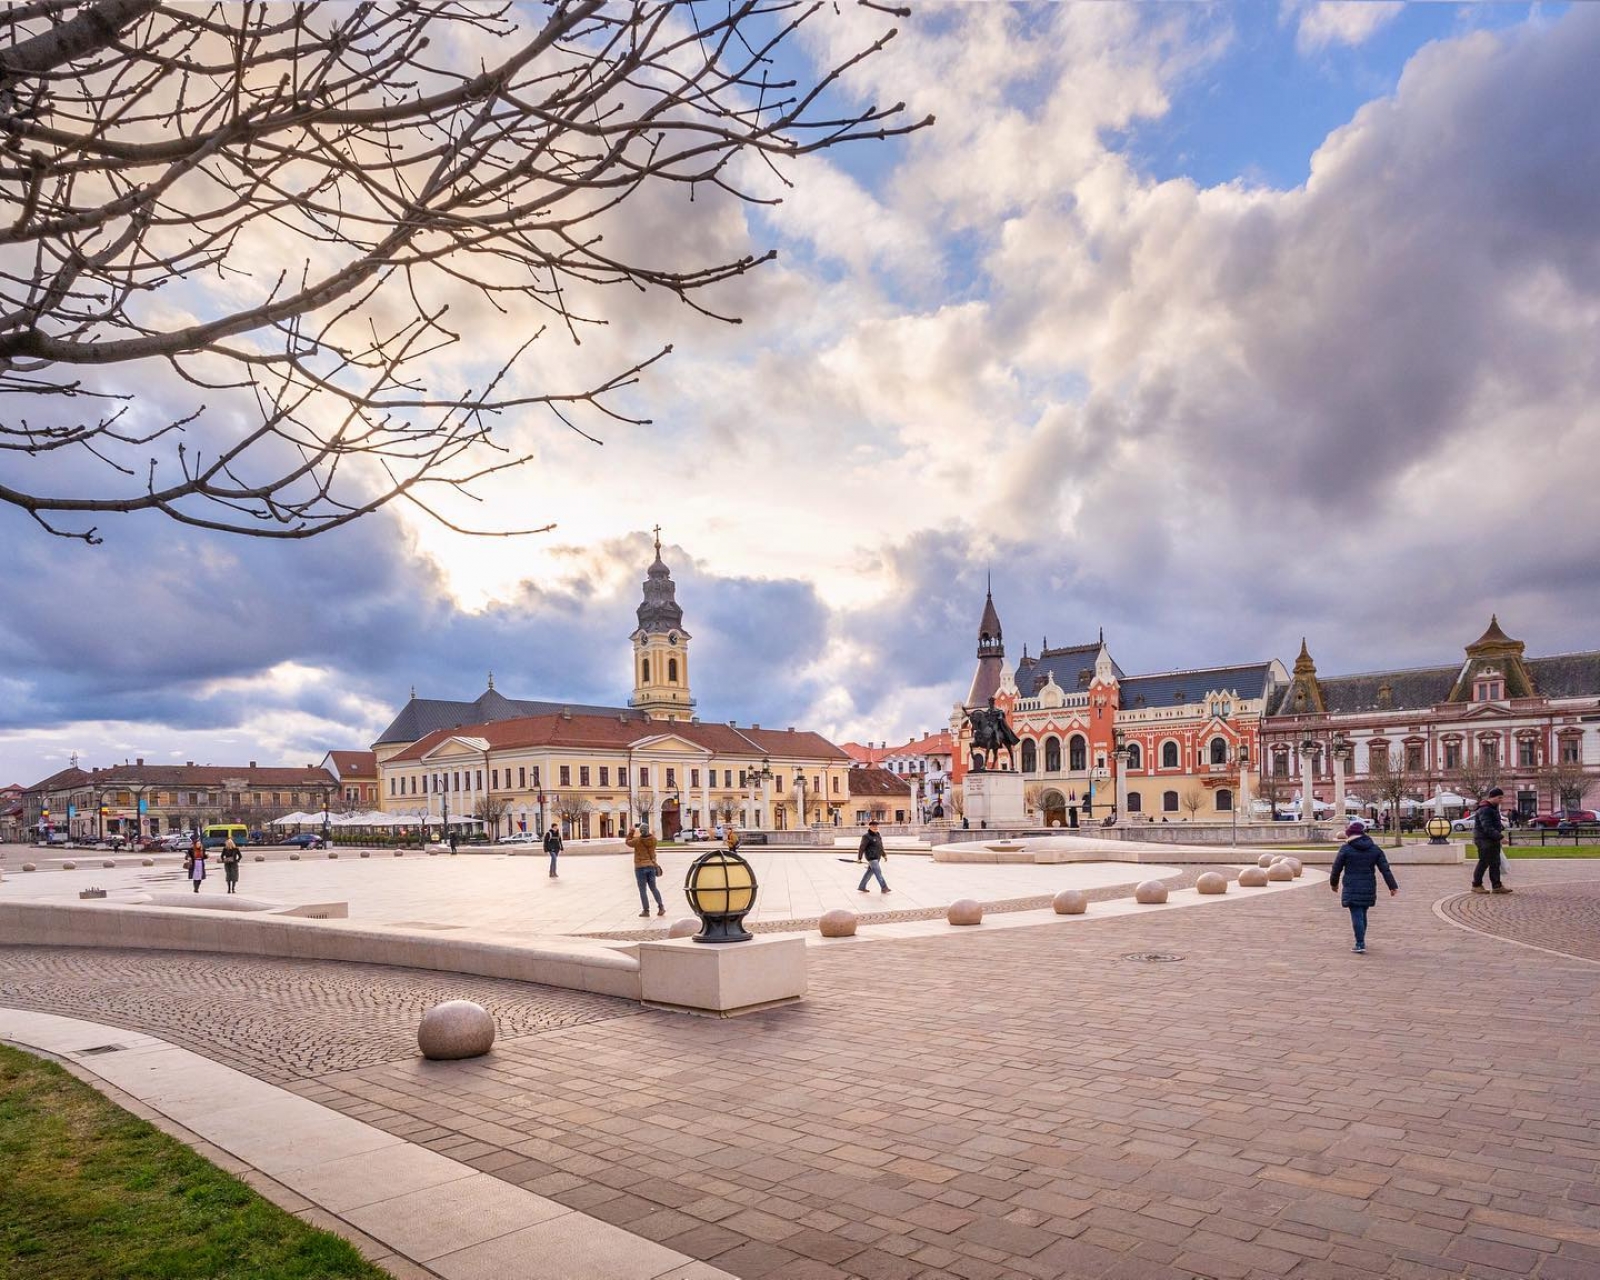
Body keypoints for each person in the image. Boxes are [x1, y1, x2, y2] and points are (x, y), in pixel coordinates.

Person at [1329, 820, 1398, 954]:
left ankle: (1360, 943)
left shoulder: (1346, 849)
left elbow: (1336, 868)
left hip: (1351, 885)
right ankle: (1361, 939)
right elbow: (1385, 869)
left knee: (1356, 913)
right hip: (1368, 885)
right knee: (1362, 913)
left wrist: (1334, 884)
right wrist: (1392, 886)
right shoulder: (1374, 849)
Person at [1471, 787, 1511, 894]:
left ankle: (1497, 885)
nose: (1501, 800)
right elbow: (1487, 827)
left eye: (1502, 798)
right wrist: (1500, 837)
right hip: (1483, 839)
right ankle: (1476, 884)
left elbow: (1494, 824)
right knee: (1484, 862)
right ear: (1492, 797)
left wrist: (1500, 830)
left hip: (1492, 839)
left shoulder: (1493, 808)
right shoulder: (1485, 809)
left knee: (1495, 862)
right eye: (1499, 798)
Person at [626, 823, 665, 917]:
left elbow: (628, 842)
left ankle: (646, 911)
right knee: (654, 888)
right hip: (651, 866)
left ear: (640, 831)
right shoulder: (654, 840)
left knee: (642, 890)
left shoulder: (637, 841)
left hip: (639, 867)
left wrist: (631, 832)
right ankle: (661, 907)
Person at [857, 820, 889, 894]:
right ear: (870, 827)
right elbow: (862, 847)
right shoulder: (866, 836)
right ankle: (884, 887)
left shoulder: (878, 835)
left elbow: (880, 846)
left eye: (876, 826)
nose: (875, 827)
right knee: (878, 872)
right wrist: (859, 858)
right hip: (871, 857)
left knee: (869, 873)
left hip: (877, 857)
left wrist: (884, 855)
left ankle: (862, 886)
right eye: (873, 826)